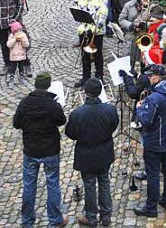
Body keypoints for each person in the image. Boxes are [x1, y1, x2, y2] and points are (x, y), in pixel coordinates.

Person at [12, 72, 68, 228]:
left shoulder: (24, 103)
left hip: (31, 150)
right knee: (53, 183)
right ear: (48, 85)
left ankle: (27, 221)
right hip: (50, 150)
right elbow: (61, 121)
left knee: (29, 185)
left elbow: (16, 123)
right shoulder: (53, 105)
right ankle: (55, 220)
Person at [65, 77, 118, 227]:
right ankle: (106, 215)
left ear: (86, 92)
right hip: (104, 153)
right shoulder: (110, 110)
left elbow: (71, 134)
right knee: (104, 182)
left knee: (89, 185)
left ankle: (91, 217)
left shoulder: (77, 114)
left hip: (86, 154)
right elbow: (114, 126)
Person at [134, 64, 166, 218]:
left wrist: (139, 108)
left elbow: (146, 120)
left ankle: (151, 207)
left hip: (155, 142)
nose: (149, 78)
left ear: (157, 77)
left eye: (151, 75)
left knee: (153, 174)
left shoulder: (154, 98)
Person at [73, 0, 108, 86]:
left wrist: (98, 25)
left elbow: (104, 11)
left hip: (97, 29)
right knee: (84, 54)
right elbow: (77, 7)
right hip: (84, 28)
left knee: (98, 54)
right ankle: (85, 76)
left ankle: (99, 76)